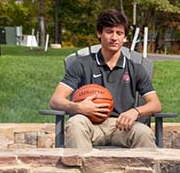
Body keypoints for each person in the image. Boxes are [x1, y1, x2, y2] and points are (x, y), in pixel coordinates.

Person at [49, 9, 161, 151]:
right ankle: (79, 171)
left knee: (143, 132)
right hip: (89, 123)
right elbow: (55, 100)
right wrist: (78, 107)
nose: (114, 37)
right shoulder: (82, 64)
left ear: (125, 37)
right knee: (75, 123)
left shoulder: (136, 69)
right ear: (99, 33)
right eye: (109, 32)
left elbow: (155, 104)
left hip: (122, 126)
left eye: (119, 33)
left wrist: (135, 111)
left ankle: (142, 172)